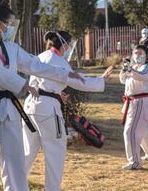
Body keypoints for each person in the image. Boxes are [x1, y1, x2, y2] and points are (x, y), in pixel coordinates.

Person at [0, 5, 83, 191]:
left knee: (15, 161)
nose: (12, 28)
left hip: (8, 108)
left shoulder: (10, 47)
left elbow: (35, 64)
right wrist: (23, 84)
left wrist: (64, 74)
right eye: (10, 24)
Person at [22, 31, 113, 190]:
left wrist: (56, 92)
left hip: (30, 107)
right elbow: (77, 81)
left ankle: (15, 185)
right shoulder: (59, 61)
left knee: (27, 151)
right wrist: (101, 80)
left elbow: (39, 83)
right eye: (70, 45)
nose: (70, 48)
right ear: (64, 44)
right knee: (55, 153)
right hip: (48, 110)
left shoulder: (41, 56)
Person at [119, 45, 148, 170]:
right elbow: (123, 80)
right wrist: (124, 68)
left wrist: (130, 69)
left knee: (130, 131)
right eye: (135, 53)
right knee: (145, 131)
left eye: (140, 53)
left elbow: (141, 76)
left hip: (140, 101)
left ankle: (134, 161)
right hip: (131, 102)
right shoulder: (134, 67)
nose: (137, 55)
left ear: (146, 54)